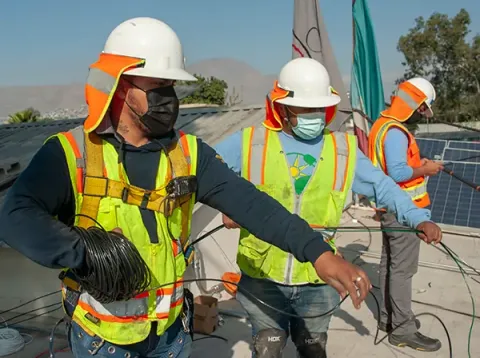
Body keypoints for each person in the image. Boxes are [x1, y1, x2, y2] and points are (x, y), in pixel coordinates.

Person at [0, 18, 373, 358]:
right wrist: (83, 252)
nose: (170, 98)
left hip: (170, 336)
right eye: (158, 86)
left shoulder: (190, 154)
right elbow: (15, 216)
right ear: (120, 85)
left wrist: (318, 253)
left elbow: (254, 206)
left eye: (172, 86)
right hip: (102, 341)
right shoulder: (73, 153)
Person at [214, 58, 443, 358]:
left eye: (319, 108)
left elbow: (384, 187)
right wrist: (227, 203)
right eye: (305, 108)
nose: (314, 115)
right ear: (282, 107)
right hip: (262, 279)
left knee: (313, 349)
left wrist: (417, 218)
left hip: (318, 280)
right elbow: (206, 174)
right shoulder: (250, 143)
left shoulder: (343, 149)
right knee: (267, 348)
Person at [368, 77, 443, 352]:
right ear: (416, 102)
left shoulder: (381, 125)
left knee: (390, 265)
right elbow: (397, 172)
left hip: (390, 209)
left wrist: (419, 165)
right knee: (403, 270)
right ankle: (402, 330)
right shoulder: (396, 132)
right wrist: (426, 170)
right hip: (403, 212)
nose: (420, 114)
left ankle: (390, 319)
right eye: (422, 108)